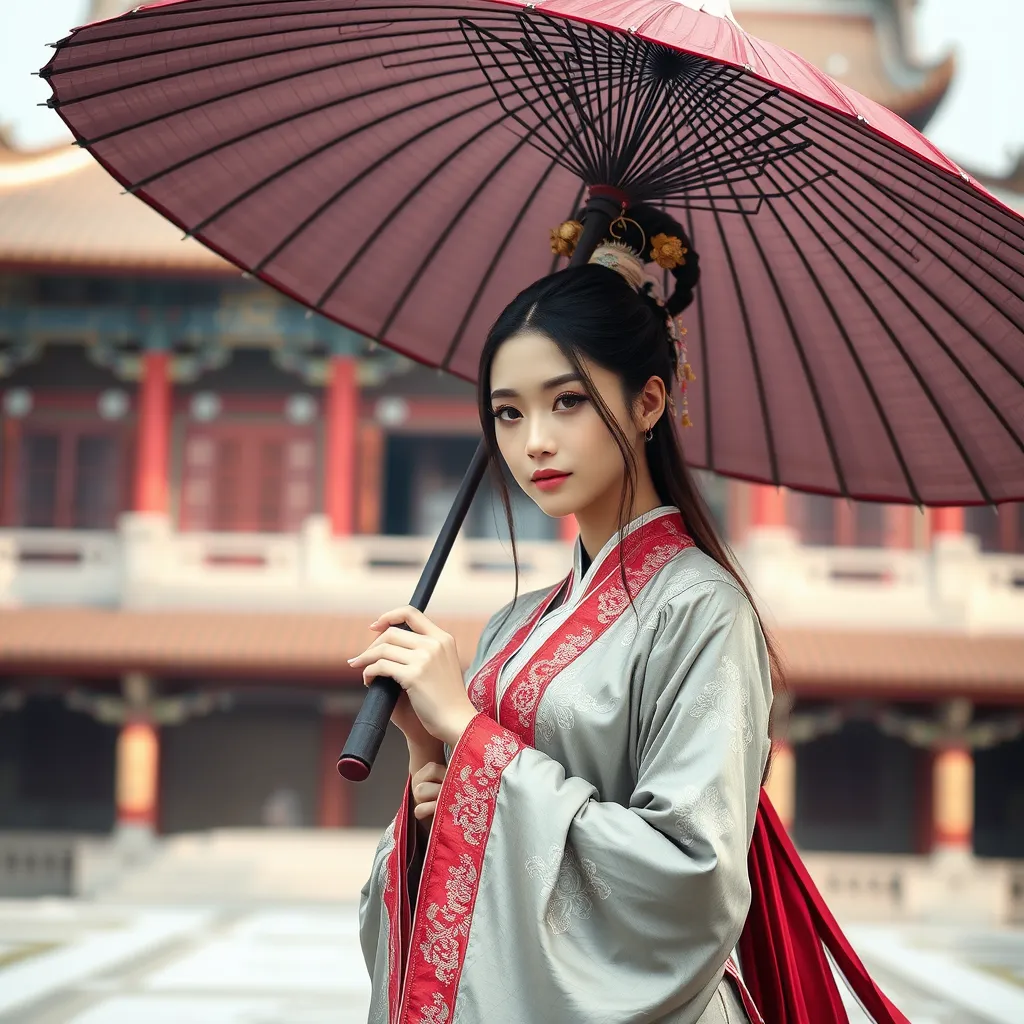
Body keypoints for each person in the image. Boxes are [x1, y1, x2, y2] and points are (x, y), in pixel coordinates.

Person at [350, 204, 908, 1024]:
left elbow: (690, 880)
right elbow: (466, 876)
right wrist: (432, 758)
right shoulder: (514, 625)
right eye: (508, 412)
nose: (533, 440)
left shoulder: (703, 613)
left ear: (649, 403)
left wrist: (471, 733)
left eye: (567, 402)